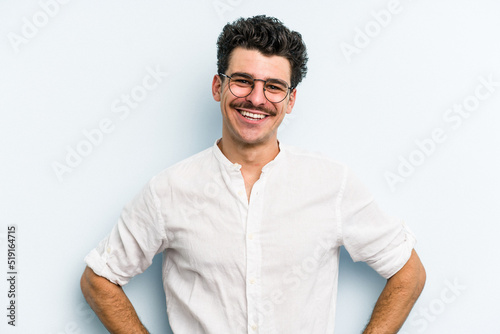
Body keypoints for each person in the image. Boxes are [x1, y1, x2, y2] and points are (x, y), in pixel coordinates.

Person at [80, 15, 426, 334]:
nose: (256, 99)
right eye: (243, 81)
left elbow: (408, 272)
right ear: (218, 87)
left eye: (274, 87)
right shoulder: (168, 190)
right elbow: (99, 279)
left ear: (290, 100)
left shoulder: (332, 183)